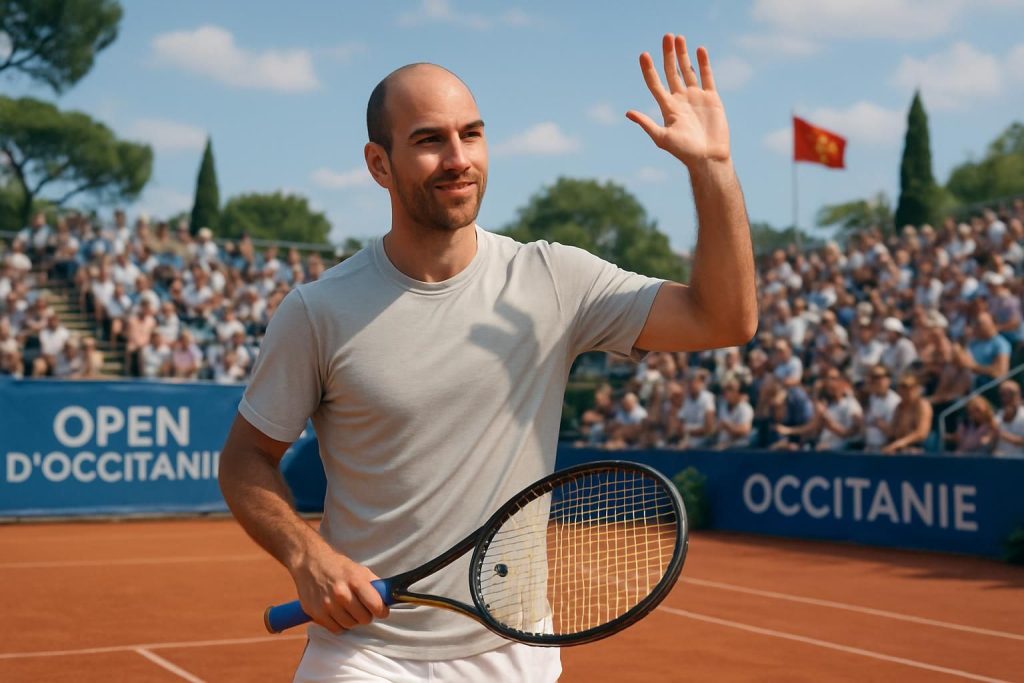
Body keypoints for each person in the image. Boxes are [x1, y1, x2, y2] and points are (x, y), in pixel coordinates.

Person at [218, 34, 756, 682]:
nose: (457, 158)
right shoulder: (316, 310)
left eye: (471, 134)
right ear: (379, 164)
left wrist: (713, 169)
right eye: (429, 140)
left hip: (516, 649)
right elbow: (245, 458)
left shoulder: (554, 279)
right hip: (365, 653)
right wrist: (307, 556)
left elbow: (723, 318)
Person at [881, 373, 933, 454]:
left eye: (910, 387)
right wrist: (880, 424)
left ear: (916, 388)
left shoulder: (922, 405)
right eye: (903, 387)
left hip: (918, 449)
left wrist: (899, 444)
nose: (906, 391)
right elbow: (893, 431)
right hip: (899, 448)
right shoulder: (899, 407)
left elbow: (921, 433)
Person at [994, 380, 1024, 458]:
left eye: (1011, 394)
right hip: (999, 460)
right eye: (1003, 394)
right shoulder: (998, 416)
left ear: (1018, 395)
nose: (1007, 398)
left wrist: (1001, 434)